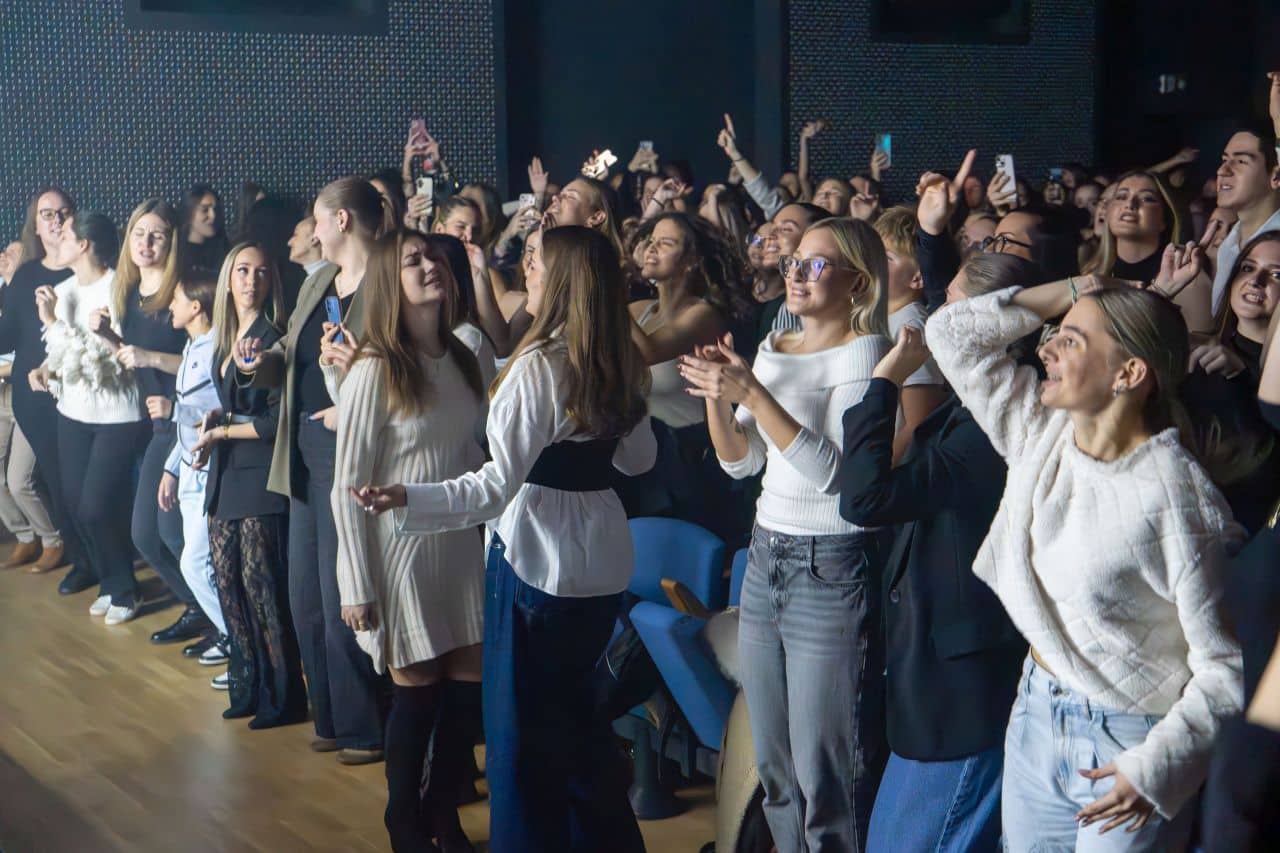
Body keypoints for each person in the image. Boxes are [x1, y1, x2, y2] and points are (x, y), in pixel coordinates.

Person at [353, 226, 654, 853]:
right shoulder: (620, 361)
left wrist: (410, 496)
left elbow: (492, 490)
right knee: (581, 729)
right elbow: (638, 460)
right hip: (603, 561)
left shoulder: (539, 366)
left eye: (535, 262)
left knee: (522, 747)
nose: (526, 272)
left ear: (562, 280)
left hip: (536, 563)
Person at [926, 276, 1244, 850]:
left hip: (1128, 740)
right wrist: (1081, 288)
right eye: (1056, 334)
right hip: (1035, 714)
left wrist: (1154, 769)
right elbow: (950, 334)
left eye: (1071, 340)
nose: (1046, 348)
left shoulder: (1177, 499)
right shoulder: (1039, 432)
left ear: (1129, 373)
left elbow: (1227, 667)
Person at [679, 217, 892, 851]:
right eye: (795, 261)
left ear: (858, 282)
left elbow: (836, 478)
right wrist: (718, 396)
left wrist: (752, 392)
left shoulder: (867, 354)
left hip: (831, 566)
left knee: (826, 770)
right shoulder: (776, 344)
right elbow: (740, 461)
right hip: (766, 552)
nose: (796, 273)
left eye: (816, 264)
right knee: (774, 765)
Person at [840, 252, 1034, 853]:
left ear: (986, 322)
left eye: (950, 304)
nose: (935, 318)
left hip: (963, 685)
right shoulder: (969, 405)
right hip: (934, 675)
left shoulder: (992, 425)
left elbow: (865, 497)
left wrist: (885, 381)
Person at [330, 229, 487, 853]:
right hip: (400, 556)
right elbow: (348, 486)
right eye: (413, 261)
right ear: (388, 283)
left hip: (461, 549)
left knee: (464, 702)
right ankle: (404, 821)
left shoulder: (464, 357)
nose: (431, 267)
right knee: (417, 702)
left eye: (436, 258)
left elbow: (476, 456)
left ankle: (443, 813)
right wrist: (356, 584)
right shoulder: (374, 368)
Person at [236, 176, 389, 762]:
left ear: (341, 220)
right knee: (304, 597)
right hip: (302, 447)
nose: (313, 233)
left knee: (339, 593)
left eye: (318, 221)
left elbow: (404, 362)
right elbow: (290, 350)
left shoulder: (387, 279)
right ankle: (329, 717)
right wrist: (258, 361)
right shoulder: (320, 281)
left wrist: (353, 382)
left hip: (351, 449)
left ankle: (364, 727)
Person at [197, 241, 306, 723]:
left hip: (259, 472)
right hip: (226, 471)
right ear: (228, 278)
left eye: (261, 272)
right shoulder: (227, 337)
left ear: (272, 281)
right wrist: (217, 420)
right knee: (229, 586)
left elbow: (273, 423)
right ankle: (248, 688)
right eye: (242, 270)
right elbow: (236, 405)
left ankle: (283, 697)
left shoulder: (271, 337)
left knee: (262, 589)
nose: (251, 280)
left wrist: (222, 431)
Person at [35, 212, 150, 625]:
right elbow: (62, 354)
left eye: (64, 234)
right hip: (72, 413)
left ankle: (126, 590)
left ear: (83, 245)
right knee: (73, 503)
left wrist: (52, 322)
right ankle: (109, 582)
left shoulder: (120, 288)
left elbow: (106, 358)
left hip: (118, 415)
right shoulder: (63, 291)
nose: (56, 238)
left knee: (97, 508)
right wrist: (44, 369)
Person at [113, 199, 202, 644]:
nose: (145, 243)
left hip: (186, 421)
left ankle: (216, 616)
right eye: (139, 233)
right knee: (149, 536)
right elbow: (134, 358)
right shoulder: (131, 293)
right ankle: (202, 609)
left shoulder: (182, 291)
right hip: (157, 424)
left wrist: (149, 357)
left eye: (157, 235)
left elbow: (207, 358)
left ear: (171, 242)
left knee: (158, 533)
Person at [1, 189, 86, 587]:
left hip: (75, 395)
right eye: (47, 214)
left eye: (62, 212)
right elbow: (8, 336)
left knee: (78, 484)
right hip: (29, 398)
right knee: (54, 481)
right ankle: (79, 558)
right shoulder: (25, 275)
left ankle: (96, 558)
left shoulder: (83, 271)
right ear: (35, 225)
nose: (55, 220)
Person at [157, 271, 229, 669]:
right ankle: (228, 634)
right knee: (199, 562)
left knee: (195, 563)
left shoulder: (217, 348)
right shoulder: (192, 347)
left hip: (208, 469)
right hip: (188, 469)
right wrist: (172, 468)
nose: (170, 306)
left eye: (177, 299)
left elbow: (218, 411)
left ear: (196, 307)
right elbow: (187, 425)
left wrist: (173, 410)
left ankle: (237, 640)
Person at [0, 239, 62, 572]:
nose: (4, 256)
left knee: (19, 479)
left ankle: (53, 539)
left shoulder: (39, 291)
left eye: (13, 252)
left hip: (27, 391)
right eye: (4, 252)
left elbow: (38, 351)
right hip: (2, 395)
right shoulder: (4, 292)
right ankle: (25, 535)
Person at [873, 207, 948, 459]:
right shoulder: (883, 316)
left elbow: (918, 421)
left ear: (917, 278)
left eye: (885, 257)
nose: (871, 263)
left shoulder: (913, 326)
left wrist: (880, 470)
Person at [1211, 111, 1280, 314]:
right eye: (1224, 160)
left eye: (1241, 161)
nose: (1222, 171)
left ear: (1276, 177)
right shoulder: (1228, 245)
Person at [180, 183, 228, 273]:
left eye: (216, 209)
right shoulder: (176, 254)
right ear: (189, 213)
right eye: (205, 210)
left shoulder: (225, 249)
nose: (213, 215)